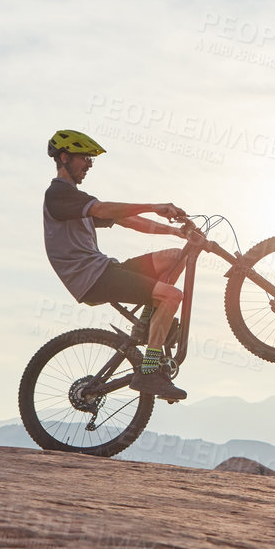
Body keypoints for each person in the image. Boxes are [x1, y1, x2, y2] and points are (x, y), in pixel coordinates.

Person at [42, 129, 197, 403]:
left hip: (104, 270)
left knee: (175, 255)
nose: (89, 164)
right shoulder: (58, 195)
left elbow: (128, 220)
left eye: (91, 160)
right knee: (172, 296)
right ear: (64, 157)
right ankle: (149, 371)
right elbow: (102, 209)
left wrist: (176, 233)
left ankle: (150, 324)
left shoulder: (77, 201)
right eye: (84, 158)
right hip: (93, 280)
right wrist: (153, 205)